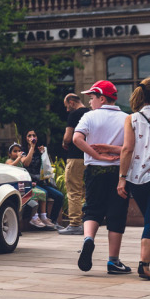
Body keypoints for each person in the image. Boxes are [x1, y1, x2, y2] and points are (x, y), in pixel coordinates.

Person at [116, 76, 150, 280]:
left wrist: (122, 179)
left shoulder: (131, 118)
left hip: (136, 179)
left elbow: (127, 149)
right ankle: (143, 265)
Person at [72, 80, 129, 274]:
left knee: (92, 209)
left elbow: (76, 138)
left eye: (92, 97)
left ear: (102, 98)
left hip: (94, 170)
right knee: (116, 213)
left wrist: (96, 155)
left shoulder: (89, 117)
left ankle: (88, 239)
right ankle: (113, 261)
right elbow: (131, 149)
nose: (89, 102)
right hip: (118, 172)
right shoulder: (127, 119)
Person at [58, 93, 90, 234]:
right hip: (89, 157)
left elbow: (68, 137)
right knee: (85, 190)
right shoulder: (90, 114)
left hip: (75, 157)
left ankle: (75, 224)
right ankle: (87, 222)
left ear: (71, 102)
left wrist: (64, 142)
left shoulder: (74, 114)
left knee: (73, 190)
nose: (66, 110)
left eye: (66, 106)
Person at [22, 129, 62, 229]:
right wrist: (32, 147)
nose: (32, 137)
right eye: (29, 135)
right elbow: (26, 163)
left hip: (42, 182)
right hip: (31, 182)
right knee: (44, 193)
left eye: (34, 135)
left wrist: (43, 153)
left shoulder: (40, 150)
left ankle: (52, 221)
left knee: (59, 196)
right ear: (26, 138)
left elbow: (46, 166)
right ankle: (40, 218)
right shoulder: (23, 151)